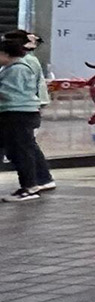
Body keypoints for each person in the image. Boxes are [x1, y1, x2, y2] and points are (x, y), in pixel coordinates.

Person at [0, 31, 51, 201]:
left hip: (18, 114)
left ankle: (30, 187)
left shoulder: (18, 69)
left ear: (7, 53)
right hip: (16, 114)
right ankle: (32, 185)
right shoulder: (14, 67)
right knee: (19, 150)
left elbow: (11, 93)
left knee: (22, 151)